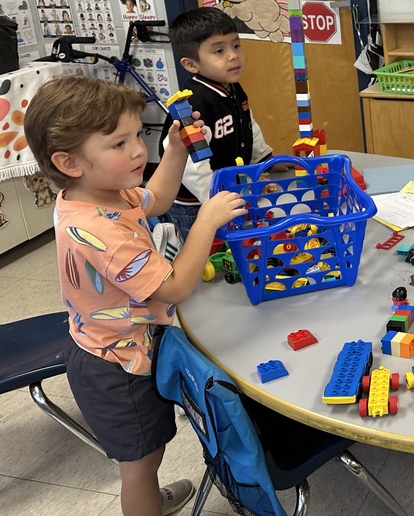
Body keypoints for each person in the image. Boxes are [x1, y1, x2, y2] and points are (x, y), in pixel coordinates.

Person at [23, 76, 248, 516]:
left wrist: (177, 149)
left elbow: (159, 197)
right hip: (115, 368)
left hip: (125, 348)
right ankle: (144, 506)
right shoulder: (98, 228)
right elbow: (174, 287)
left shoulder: (99, 194)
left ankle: (147, 500)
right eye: (118, 144)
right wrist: (204, 222)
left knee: (150, 454)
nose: (138, 151)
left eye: (137, 136)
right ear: (69, 162)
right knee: (141, 465)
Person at [159, 7, 280, 240]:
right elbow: (189, 166)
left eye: (236, 46)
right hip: (195, 203)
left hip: (227, 192)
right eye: (219, 51)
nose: (233, 56)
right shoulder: (192, 105)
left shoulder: (232, 87)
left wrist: (265, 160)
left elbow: (247, 124)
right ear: (191, 65)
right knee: (206, 258)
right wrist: (215, 200)